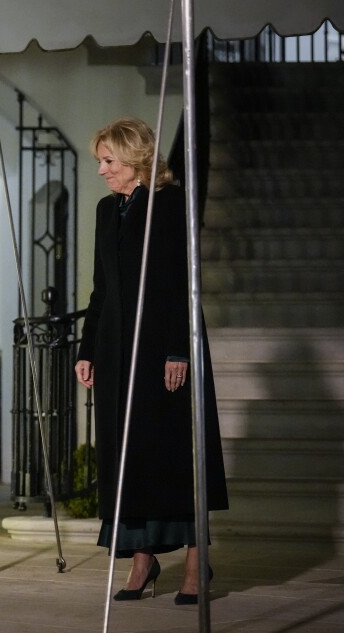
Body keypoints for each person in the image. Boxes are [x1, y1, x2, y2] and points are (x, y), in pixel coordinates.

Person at [74, 117, 228, 605]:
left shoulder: (168, 208)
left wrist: (179, 348)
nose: (101, 170)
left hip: (163, 350)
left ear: (136, 160)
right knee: (129, 459)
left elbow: (182, 282)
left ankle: (194, 562)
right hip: (117, 352)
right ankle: (142, 559)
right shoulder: (106, 211)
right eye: (100, 160)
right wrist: (86, 347)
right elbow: (102, 287)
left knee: (170, 458)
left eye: (108, 160)